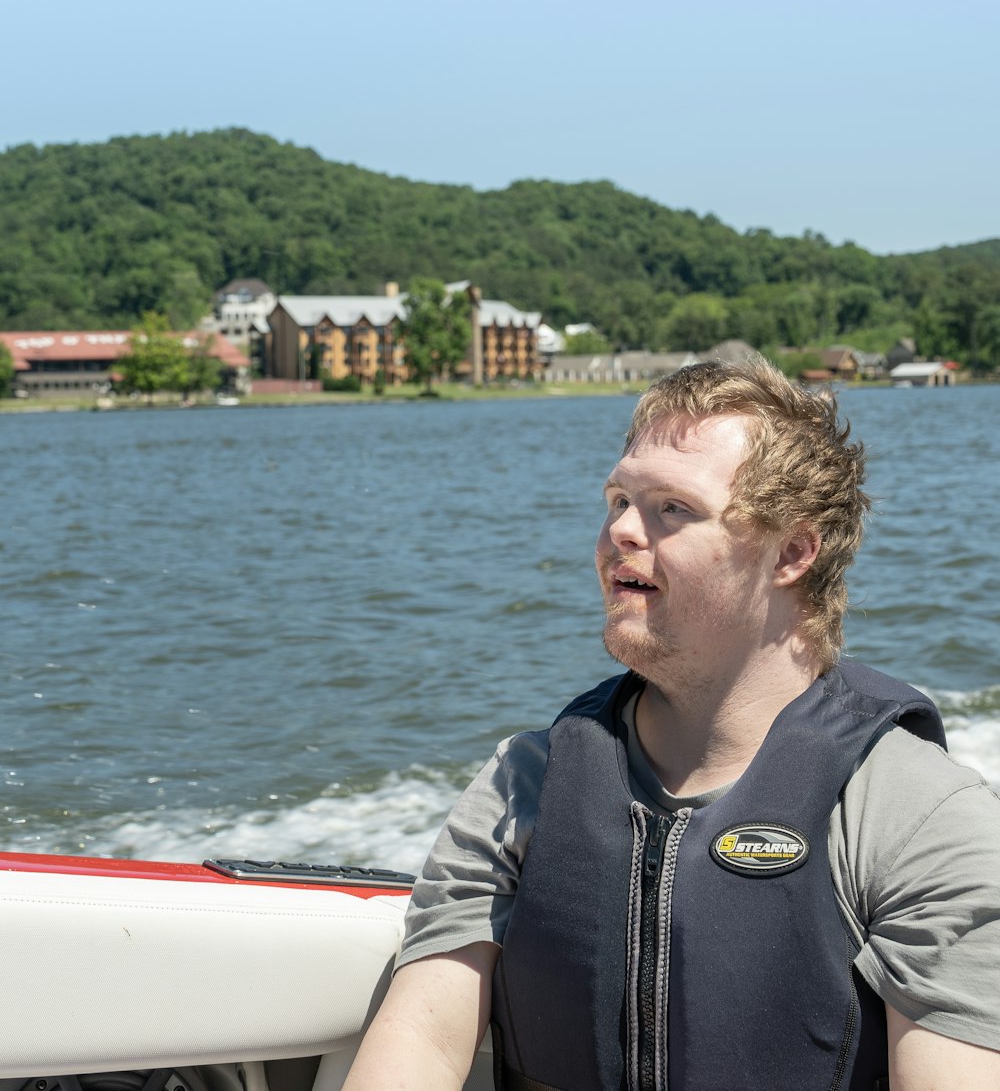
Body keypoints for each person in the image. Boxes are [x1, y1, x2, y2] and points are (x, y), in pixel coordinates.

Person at [344, 360, 1000, 1090]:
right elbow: (423, 1044)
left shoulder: (918, 818)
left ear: (793, 551)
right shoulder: (521, 786)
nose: (621, 529)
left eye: (672, 509)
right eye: (618, 498)